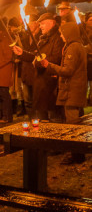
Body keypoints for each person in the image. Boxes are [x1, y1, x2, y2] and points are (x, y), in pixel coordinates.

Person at [40, 22, 87, 164]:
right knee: (73, 122)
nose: (60, 35)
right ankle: (76, 153)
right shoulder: (77, 46)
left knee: (72, 124)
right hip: (73, 90)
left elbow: (68, 71)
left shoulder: (73, 47)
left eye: (62, 33)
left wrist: (50, 66)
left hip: (72, 91)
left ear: (69, 33)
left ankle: (76, 154)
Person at [13, 12, 64, 121]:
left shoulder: (57, 39)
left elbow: (56, 59)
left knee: (53, 120)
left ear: (52, 23)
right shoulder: (43, 39)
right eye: (39, 24)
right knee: (42, 120)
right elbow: (35, 57)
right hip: (41, 85)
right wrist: (22, 53)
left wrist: (39, 61)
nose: (40, 26)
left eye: (43, 24)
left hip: (51, 86)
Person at [0, 19, 14, 123]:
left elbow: (8, 56)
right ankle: (2, 116)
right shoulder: (0, 38)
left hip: (3, 71)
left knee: (4, 94)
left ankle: (7, 117)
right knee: (0, 94)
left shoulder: (5, 38)